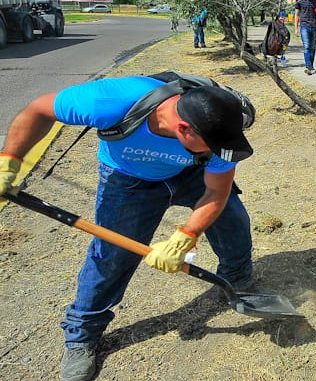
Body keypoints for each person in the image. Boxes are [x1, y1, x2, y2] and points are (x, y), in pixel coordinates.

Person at [0, 75, 256, 380]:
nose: (217, 152)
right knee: (111, 257)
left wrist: (185, 236)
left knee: (233, 222)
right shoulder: (111, 101)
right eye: (211, 147)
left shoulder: (218, 135)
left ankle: (236, 279)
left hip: (190, 174)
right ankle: (82, 334)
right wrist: (10, 160)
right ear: (183, 128)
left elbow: (216, 193)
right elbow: (38, 110)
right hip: (128, 180)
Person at [295, 0, 316, 75]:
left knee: (313, 47)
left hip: (314, 26)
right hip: (304, 25)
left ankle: (311, 66)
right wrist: (296, 28)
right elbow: (297, 15)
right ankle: (308, 66)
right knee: (306, 46)